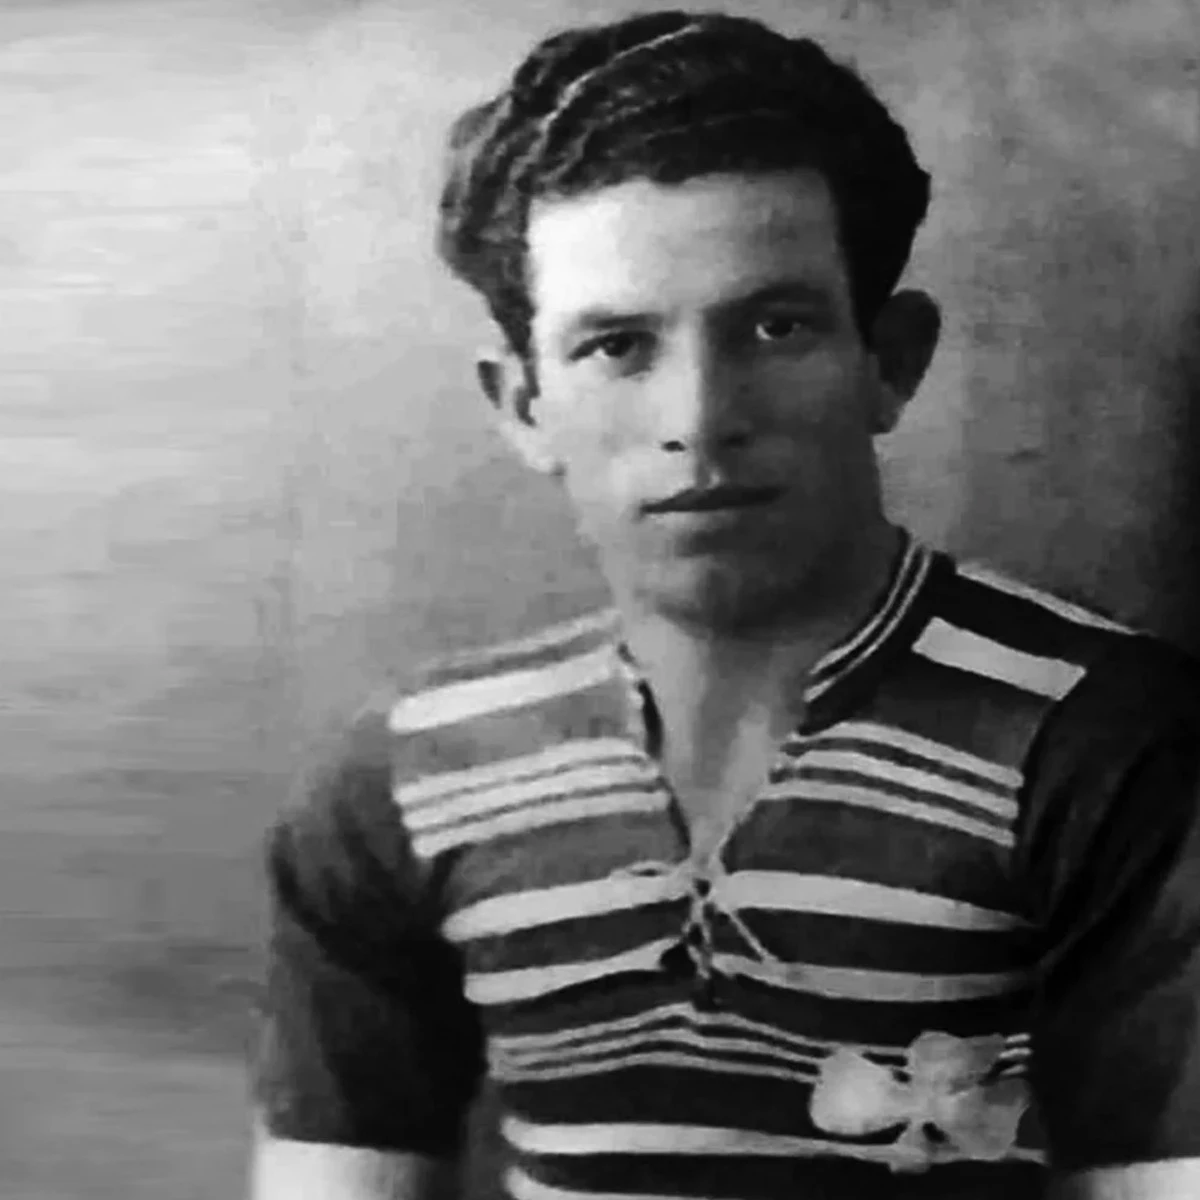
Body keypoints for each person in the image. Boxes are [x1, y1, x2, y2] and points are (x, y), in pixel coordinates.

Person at [247, 10, 1200, 1199]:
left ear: (890, 359)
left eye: (775, 327)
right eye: (616, 346)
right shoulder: (401, 781)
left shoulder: (1112, 745)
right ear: (524, 405)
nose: (699, 417)